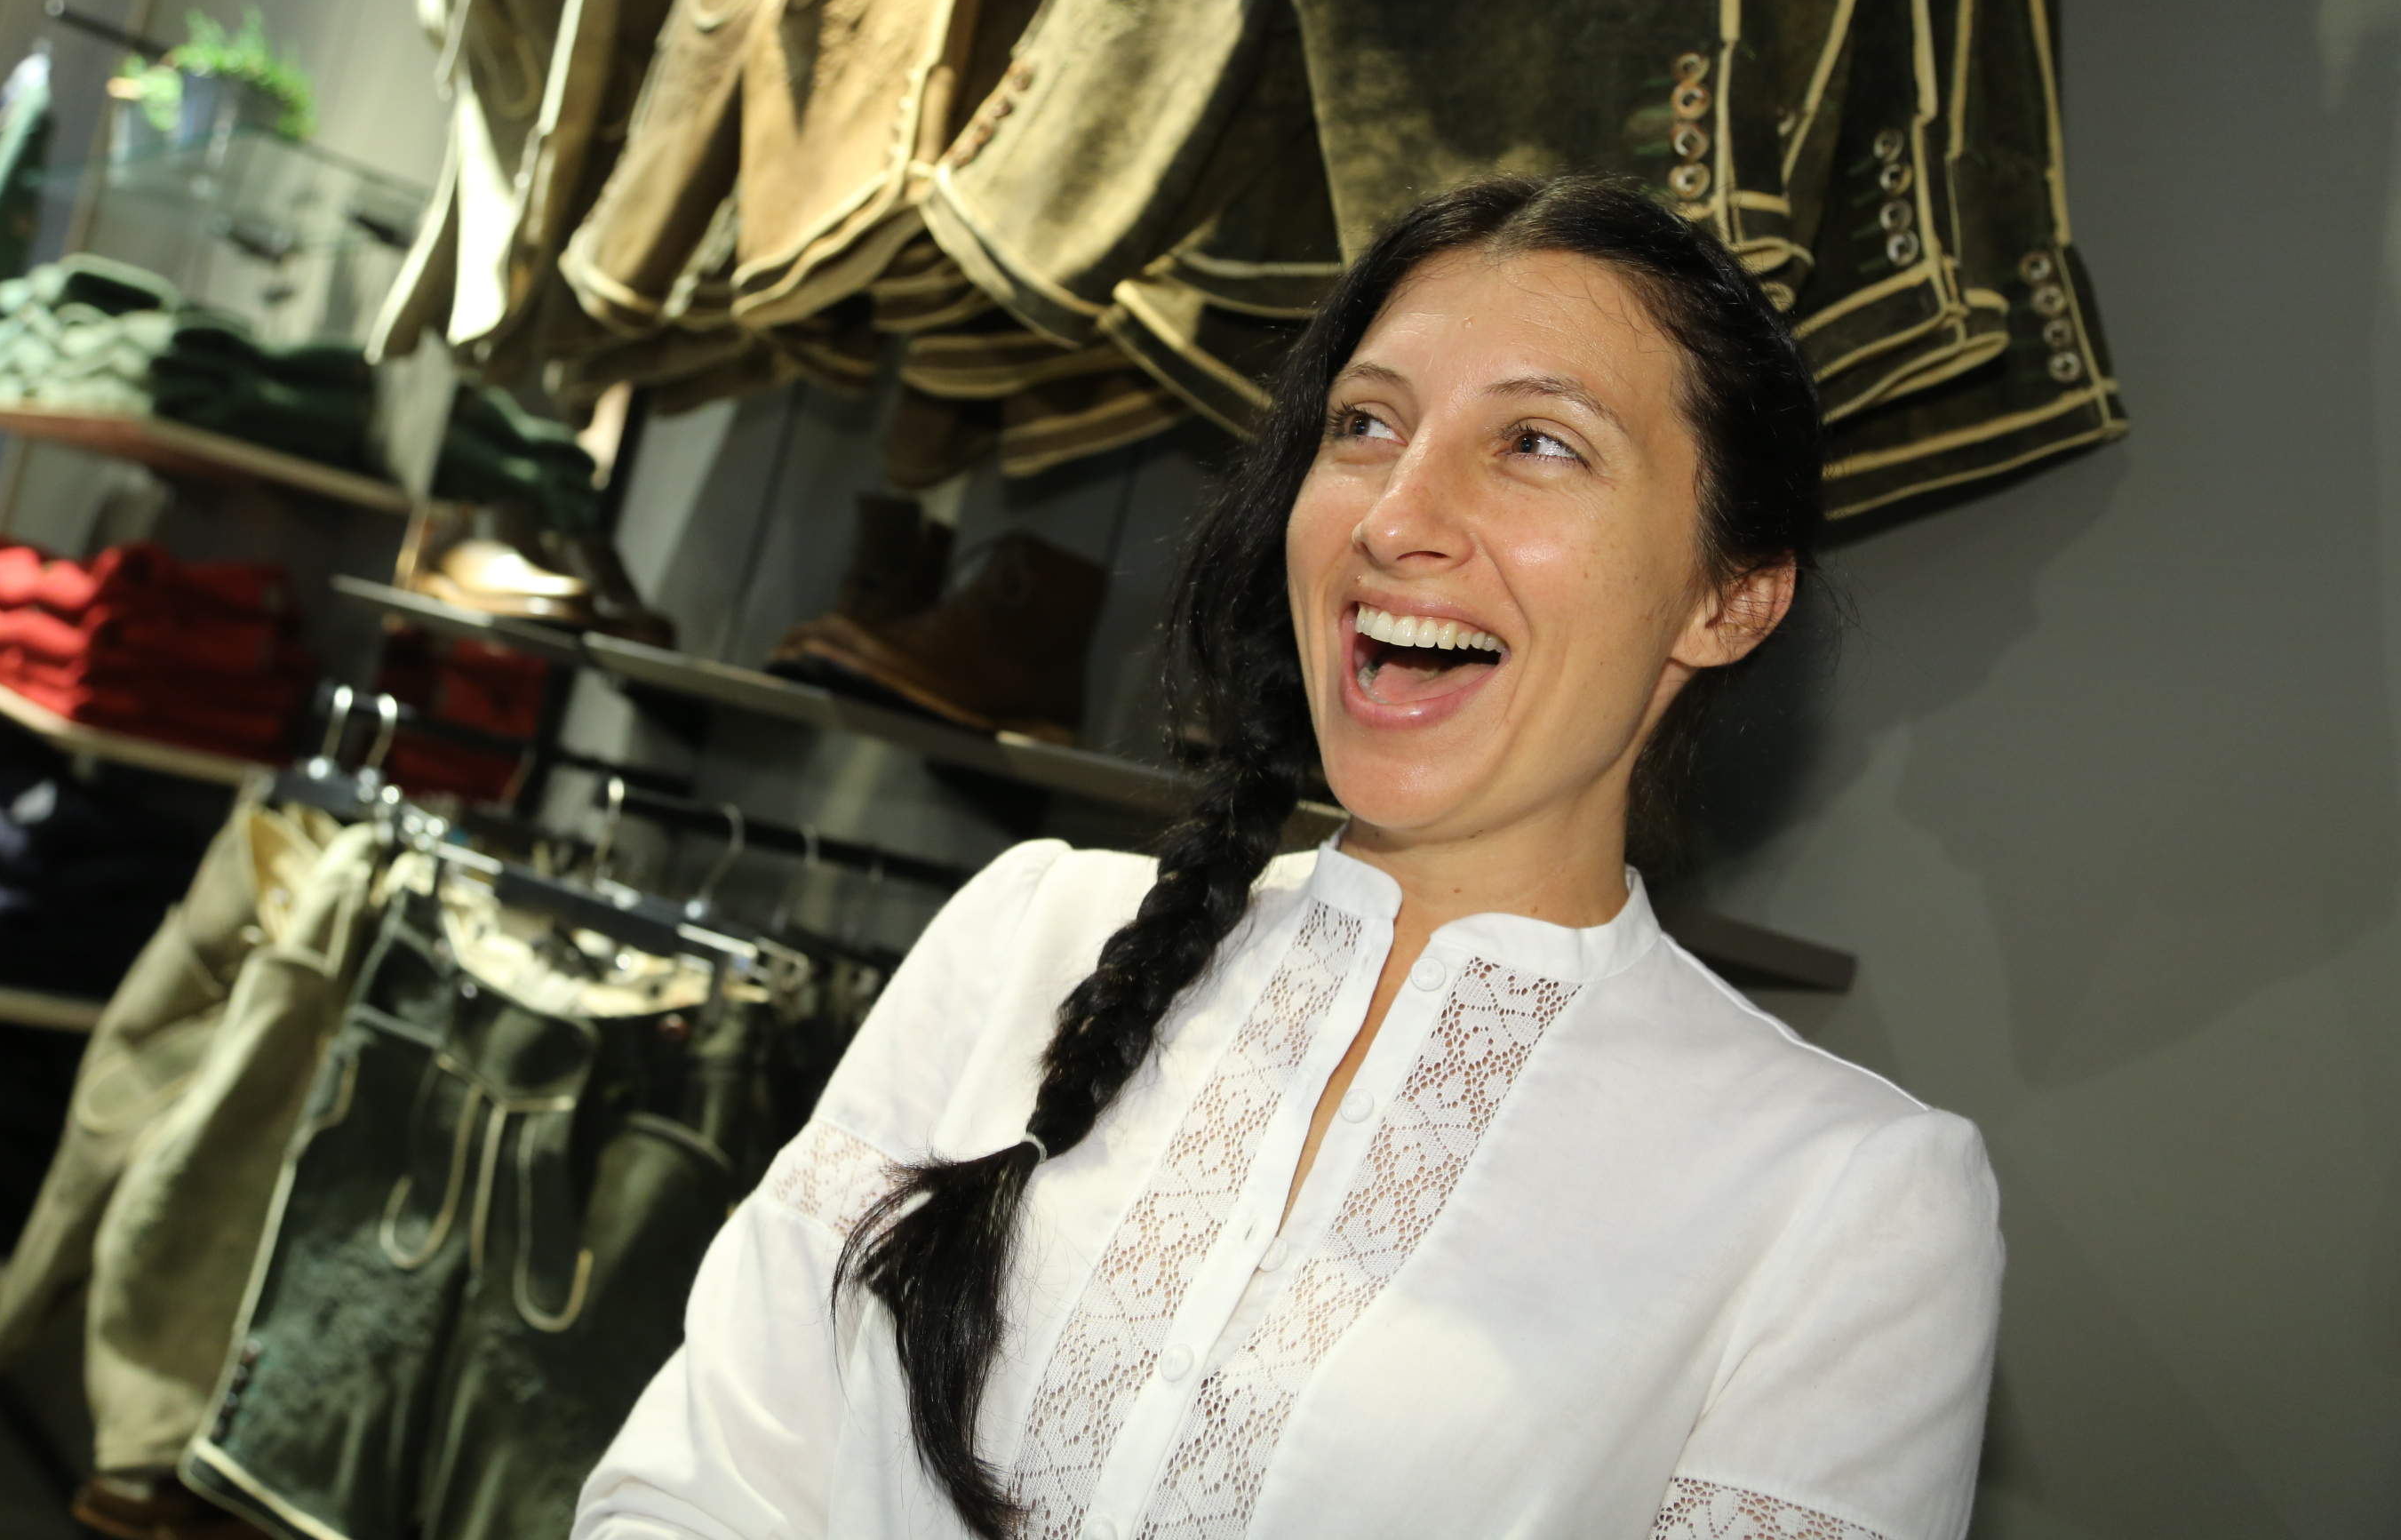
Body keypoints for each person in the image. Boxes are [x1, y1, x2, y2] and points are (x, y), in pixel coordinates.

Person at [575, 176, 2005, 1540]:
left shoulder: (1853, 1201)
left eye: (1538, 443)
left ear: (1729, 597)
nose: (1397, 518)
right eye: (1365, 426)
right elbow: (708, 1480)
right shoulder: (1025, 938)